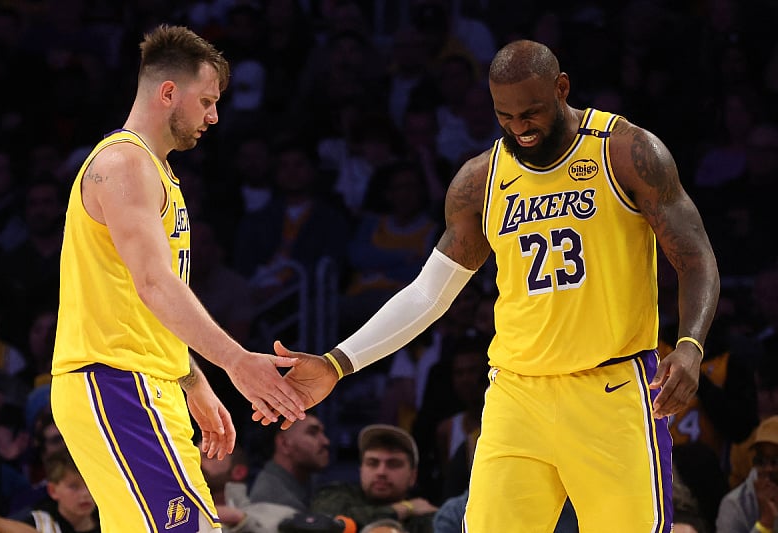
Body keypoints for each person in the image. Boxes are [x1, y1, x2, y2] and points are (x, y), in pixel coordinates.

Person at [264, 39, 720, 532]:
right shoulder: (479, 181)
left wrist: (691, 346)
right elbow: (429, 293)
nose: (519, 127)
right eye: (505, 115)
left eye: (532, 112)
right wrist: (338, 362)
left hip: (610, 390)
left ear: (561, 87)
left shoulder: (626, 152)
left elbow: (695, 258)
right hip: (517, 395)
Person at [49, 24, 306, 532]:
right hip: (116, 381)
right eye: (207, 100)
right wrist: (235, 361)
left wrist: (191, 378)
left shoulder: (153, 171)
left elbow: (142, 301)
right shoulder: (124, 163)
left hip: (144, 380)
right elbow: (154, 284)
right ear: (169, 92)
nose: (214, 115)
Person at [310, 424, 437, 533]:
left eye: (393, 464)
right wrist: (405, 508)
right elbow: (322, 523)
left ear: (413, 476)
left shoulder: (425, 515)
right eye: (372, 463)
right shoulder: (336, 493)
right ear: (361, 469)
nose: (381, 472)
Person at [249, 413, 331, 512]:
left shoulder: (308, 481)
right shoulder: (271, 501)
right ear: (284, 443)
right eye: (312, 433)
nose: (326, 441)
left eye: (323, 433)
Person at [13, 448, 100, 533]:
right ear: (53, 490)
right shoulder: (39, 524)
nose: (85, 494)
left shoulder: (109, 518)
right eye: (74, 487)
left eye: (90, 485)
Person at [715, 415, 778, 533]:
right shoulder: (734, 504)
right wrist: (765, 523)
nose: (768, 469)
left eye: (776, 460)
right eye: (761, 460)